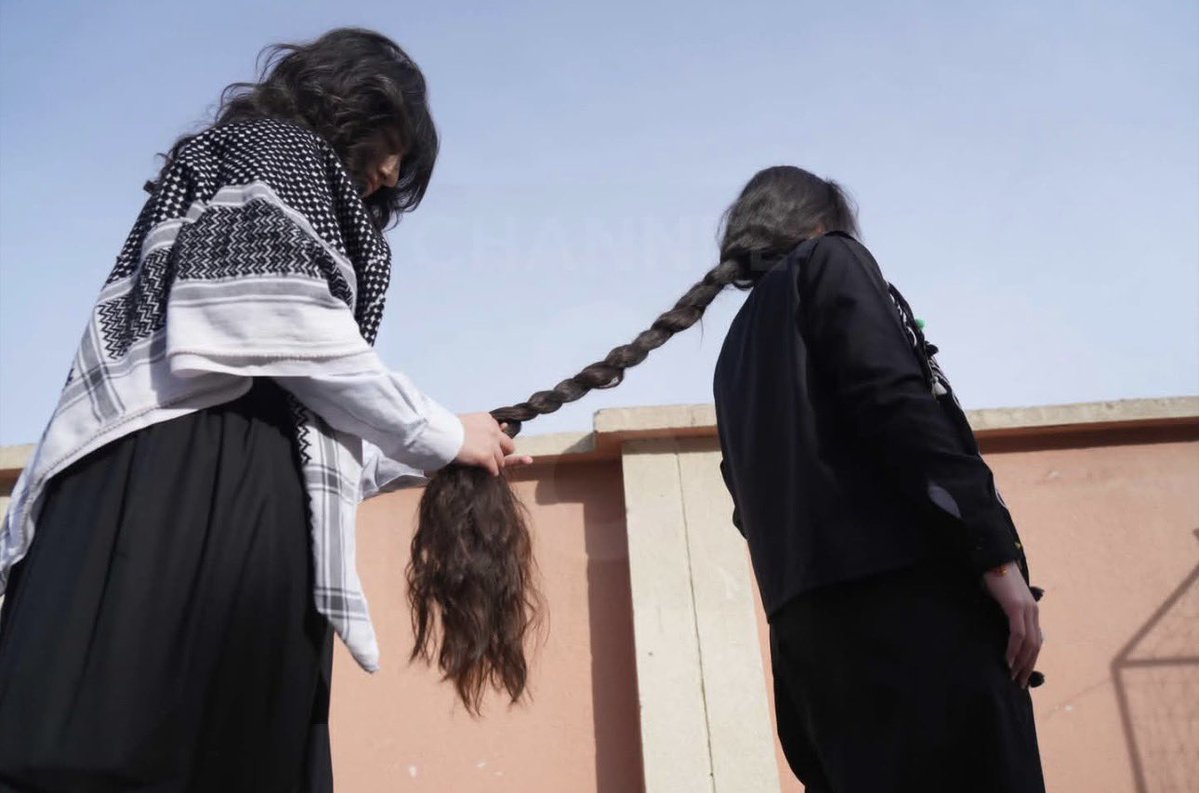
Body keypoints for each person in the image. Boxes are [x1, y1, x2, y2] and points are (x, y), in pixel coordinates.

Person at [0, 28, 525, 791]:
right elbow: (274, 319)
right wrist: (438, 429)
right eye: (391, 145)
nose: (386, 173)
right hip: (184, 492)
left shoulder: (254, 171)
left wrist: (444, 445)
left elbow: (305, 409)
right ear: (351, 103)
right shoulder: (270, 148)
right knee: (145, 750)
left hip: (201, 485)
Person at [426, 166, 1044, 790]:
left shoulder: (736, 352)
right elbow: (901, 409)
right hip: (915, 618)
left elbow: (747, 505)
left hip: (808, 644)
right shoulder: (831, 261)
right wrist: (996, 558)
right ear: (820, 223)